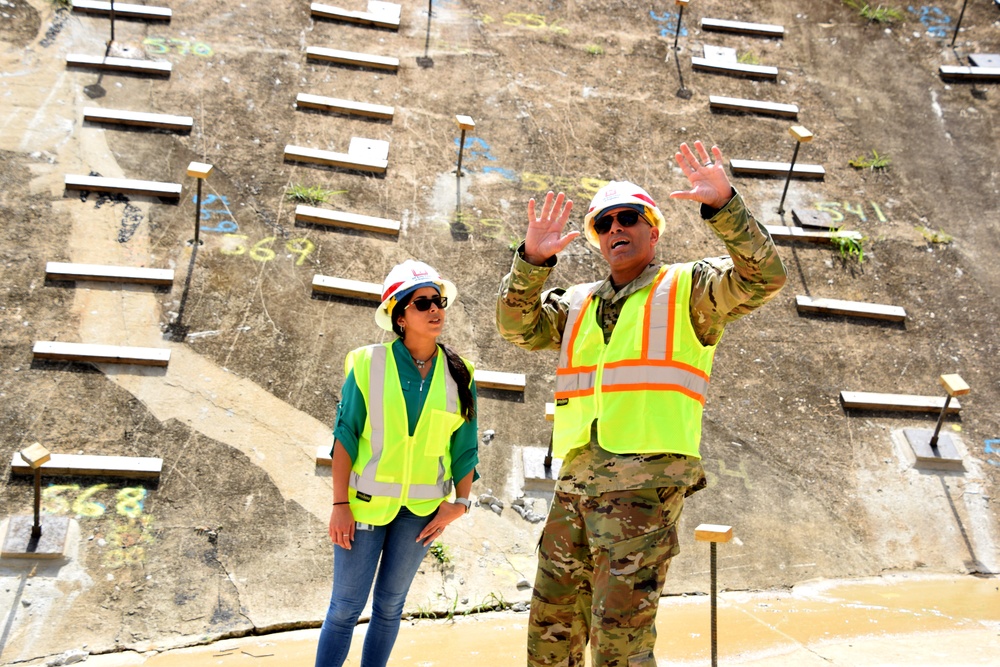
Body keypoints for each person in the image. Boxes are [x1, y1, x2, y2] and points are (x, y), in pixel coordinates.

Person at [496, 141, 787, 667]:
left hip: (645, 487)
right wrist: (533, 263)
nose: (615, 230)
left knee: (619, 644)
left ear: (653, 229)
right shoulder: (577, 303)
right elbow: (516, 328)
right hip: (577, 485)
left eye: (628, 218)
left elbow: (764, 277)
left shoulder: (689, 288)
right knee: (550, 632)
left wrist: (725, 206)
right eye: (603, 224)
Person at [316, 260, 479, 667]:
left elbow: (465, 447)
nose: (435, 309)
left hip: (421, 514)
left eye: (438, 301)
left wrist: (461, 503)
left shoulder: (461, 373)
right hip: (365, 507)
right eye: (422, 303)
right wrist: (339, 505)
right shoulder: (366, 363)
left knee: (390, 608)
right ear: (399, 316)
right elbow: (345, 436)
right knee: (345, 608)